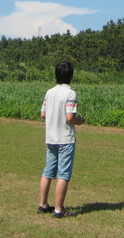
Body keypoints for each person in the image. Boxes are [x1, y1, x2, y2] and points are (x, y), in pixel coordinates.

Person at [37, 59, 85, 218]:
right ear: (71, 76)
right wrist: (80, 121)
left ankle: (43, 204)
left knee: (48, 172)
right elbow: (70, 117)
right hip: (65, 138)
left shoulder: (49, 92)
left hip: (50, 137)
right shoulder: (70, 93)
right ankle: (59, 209)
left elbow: (43, 114)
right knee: (63, 174)